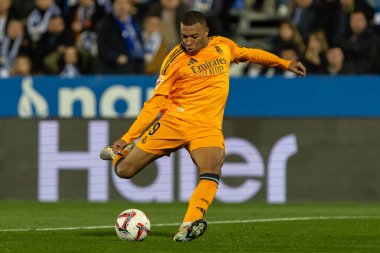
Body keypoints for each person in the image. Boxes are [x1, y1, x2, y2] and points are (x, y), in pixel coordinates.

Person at [100, 10, 306, 242]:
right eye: (184, 36)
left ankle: (189, 224)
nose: (188, 42)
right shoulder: (174, 60)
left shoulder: (222, 46)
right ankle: (119, 154)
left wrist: (284, 63)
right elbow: (155, 102)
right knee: (124, 171)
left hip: (206, 128)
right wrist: (128, 137)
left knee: (212, 166)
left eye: (193, 36)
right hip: (174, 122)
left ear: (206, 32)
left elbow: (250, 54)